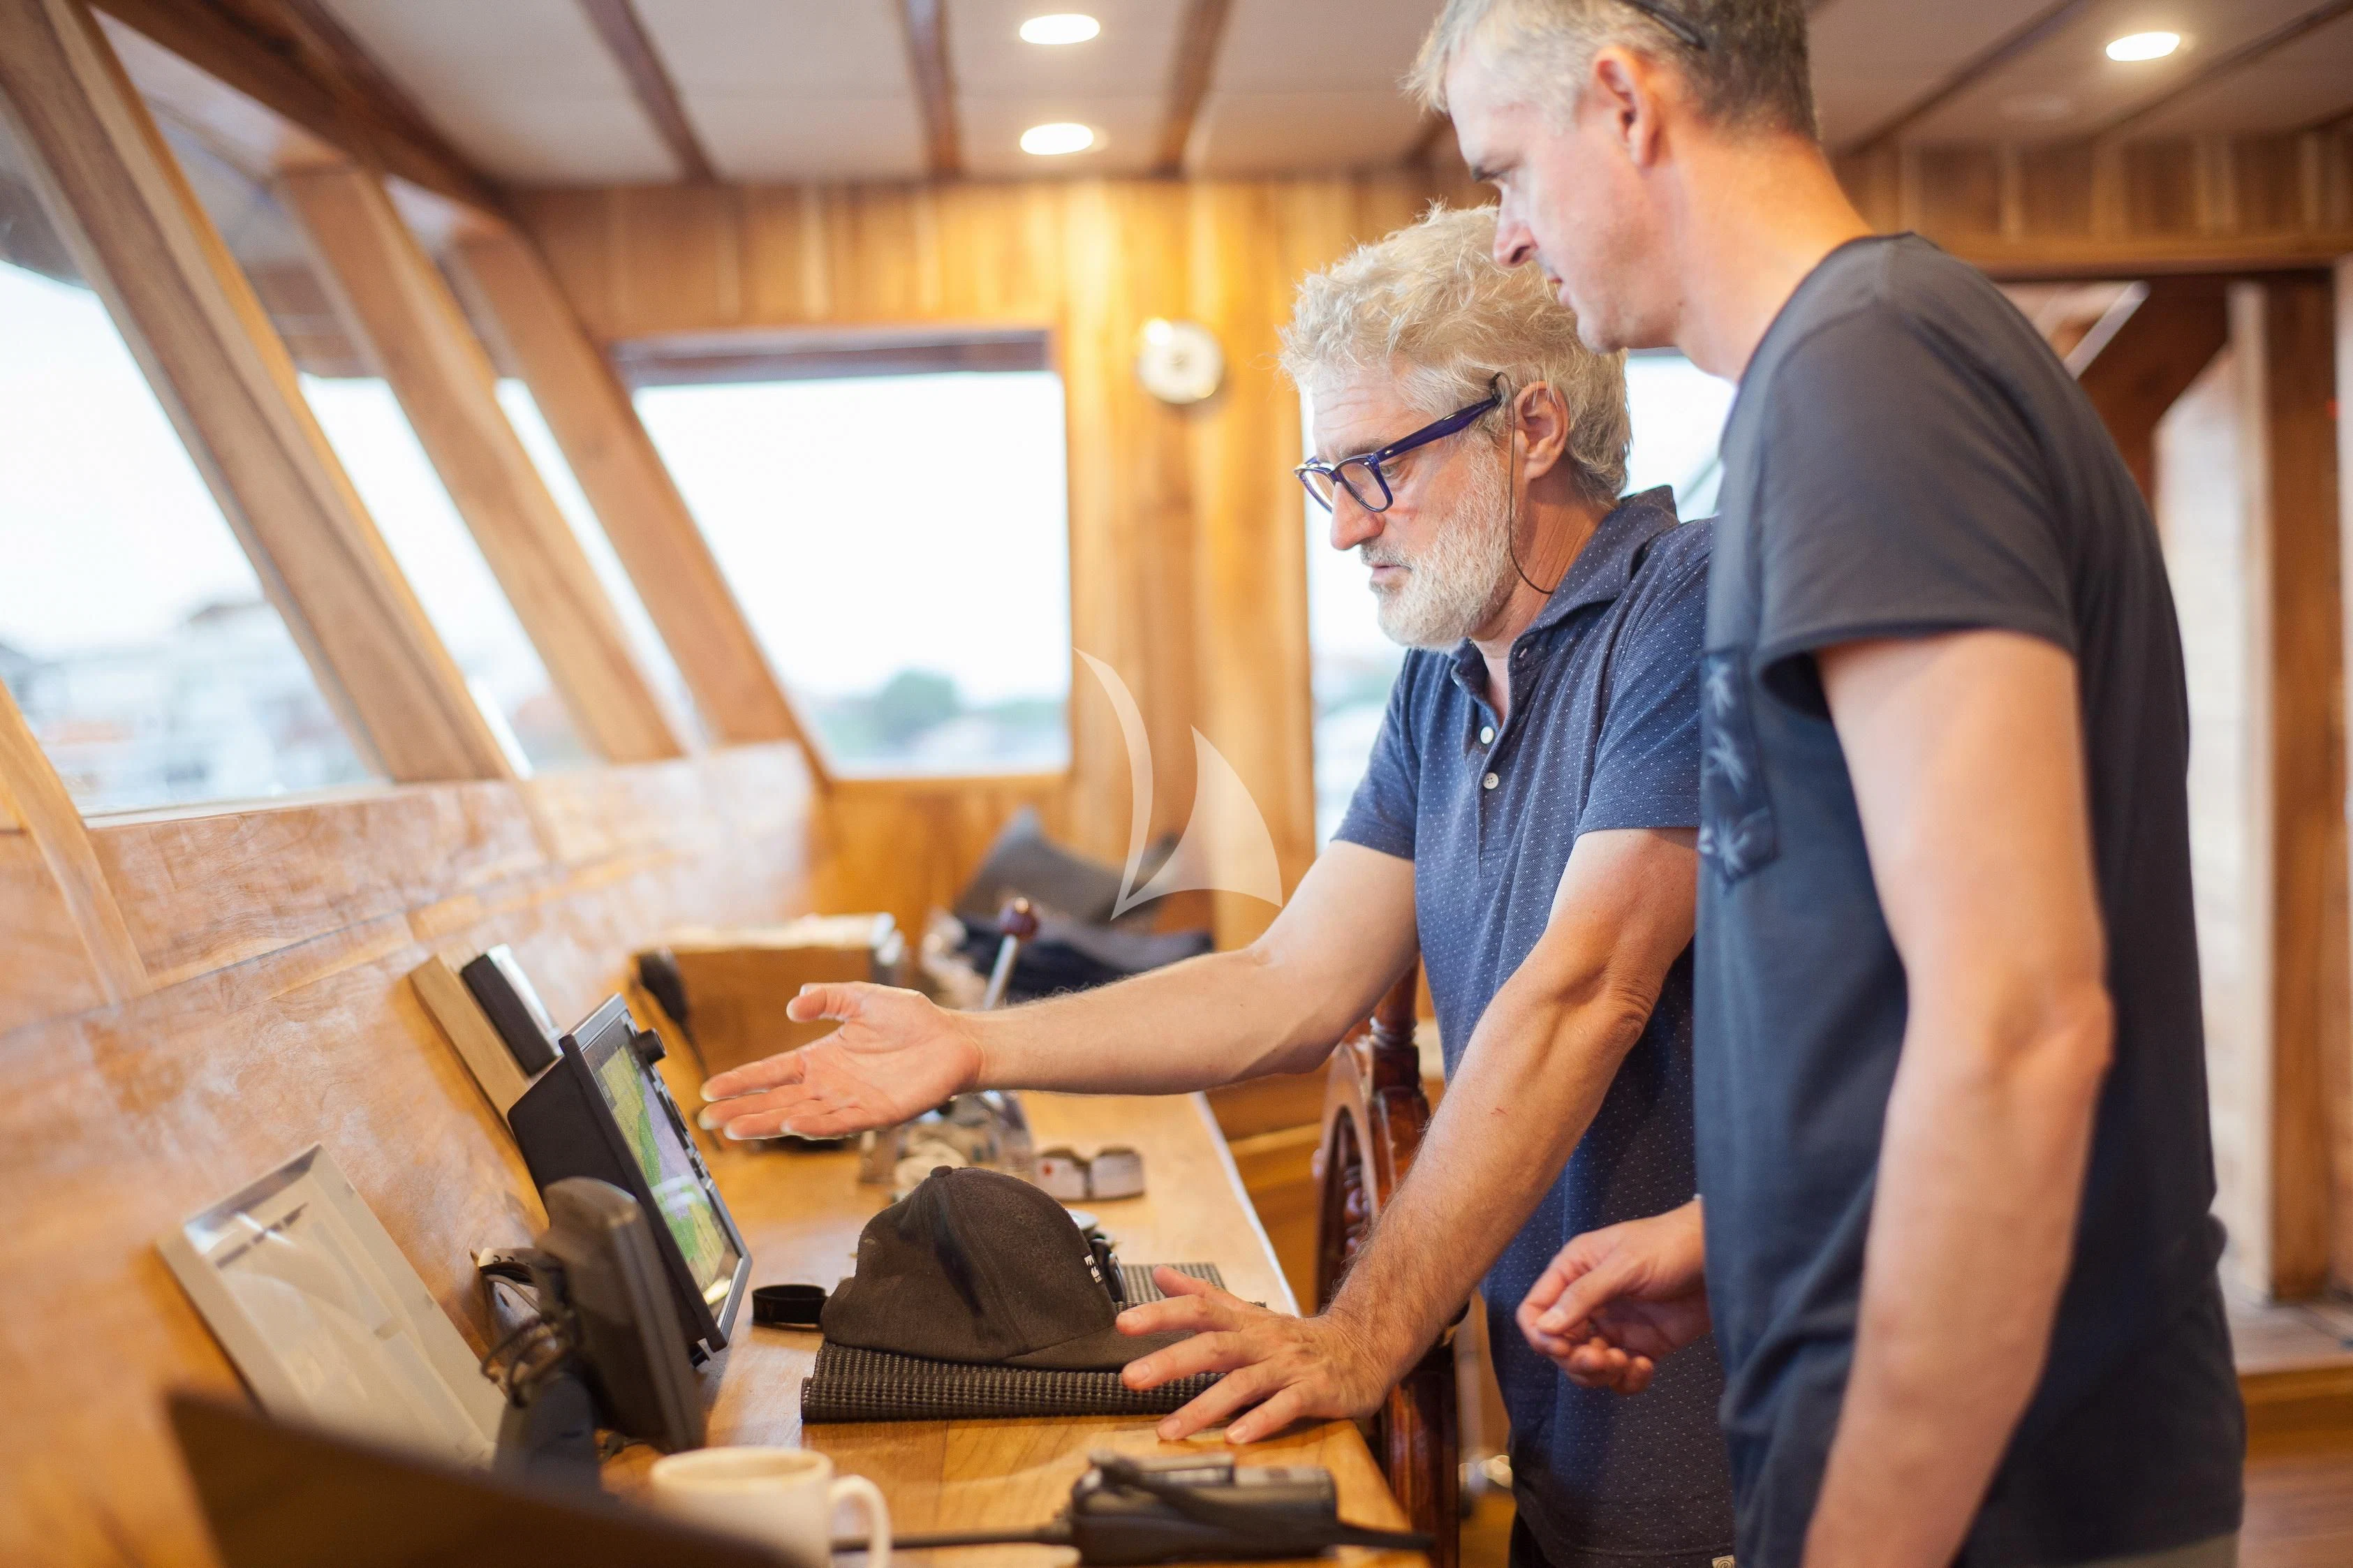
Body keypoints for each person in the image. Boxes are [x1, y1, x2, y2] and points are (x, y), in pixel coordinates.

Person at [700, 205, 1736, 1568]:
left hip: (1743, 1453)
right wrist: (971, 1042)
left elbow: (1581, 993)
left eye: (1373, 468)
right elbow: (1288, 982)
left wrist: (1360, 1335)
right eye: (1325, 480)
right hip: (1574, 1445)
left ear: (1529, 427)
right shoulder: (1445, 682)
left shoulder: (1688, 603)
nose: (1342, 530)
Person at [1413, 3, 2246, 1567]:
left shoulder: (1869, 381)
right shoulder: (1852, 375)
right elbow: (1900, 981)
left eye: (1507, 175)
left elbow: (2017, 1029)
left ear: (1623, 103)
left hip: (2005, 1498)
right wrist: (1753, 1233)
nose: (1510, 243)